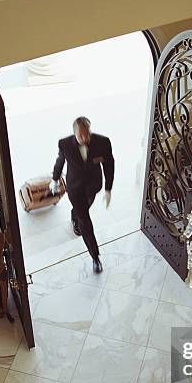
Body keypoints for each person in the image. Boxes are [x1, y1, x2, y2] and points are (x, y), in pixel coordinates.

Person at [49, 117, 114, 273]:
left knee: (82, 209)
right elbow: (60, 161)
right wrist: (55, 179)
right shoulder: (64, 144)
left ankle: (75, 214)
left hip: (93, 186)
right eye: (81, 136)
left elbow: (109, 164)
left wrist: (108, 188)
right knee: (85, 220)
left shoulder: (103, 142)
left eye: (87, 134)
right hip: (75, 187)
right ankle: (95, 257)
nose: (85, 139)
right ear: (74, 133)